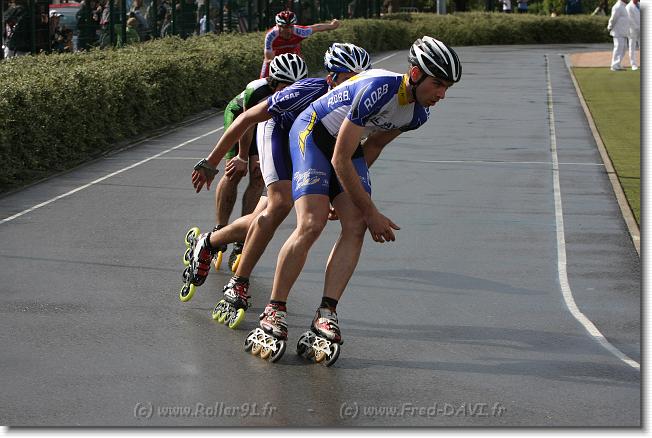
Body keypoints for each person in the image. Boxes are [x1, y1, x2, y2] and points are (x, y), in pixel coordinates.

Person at [246, 36, 462, 364]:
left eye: (447, 87)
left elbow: (372, 147)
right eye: (438, 84)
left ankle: (326, 312)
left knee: (356, 223)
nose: (442, 95)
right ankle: (274, 309)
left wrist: (349, 197)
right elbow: (339, 158)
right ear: (416, 75)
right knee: (312, 222)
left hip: (346, 148)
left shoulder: (417, 115)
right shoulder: (379, 89)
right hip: (312, 132)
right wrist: (370, 209)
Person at [189, 44, 372, 329]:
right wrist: (212, 162)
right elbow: (247, 118)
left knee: (260, 216)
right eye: (351, 78)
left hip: (311, 144)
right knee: (280, 204)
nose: (358, 84)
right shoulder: (306, 91)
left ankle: (209, 242)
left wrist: (341, 192)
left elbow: (352, 151)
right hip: (277, 130)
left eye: (363, 77)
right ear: (332, 78)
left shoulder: (369, 100)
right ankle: (238, 282)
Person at [180, 53, 309, 302]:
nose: (290, 92)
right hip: (242, 118)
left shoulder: (303, 93)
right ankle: (220, 228)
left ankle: (236, 236)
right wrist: (242, 156)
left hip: (269, 123)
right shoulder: (257, 90)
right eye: (285, 87)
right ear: (273, 82)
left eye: (295, 86)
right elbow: (246, 123)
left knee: (259, 178)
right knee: (236, 171)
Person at [259, 10, 340, 78]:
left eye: (291, 27)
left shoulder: (299, 31)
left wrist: (332, 25)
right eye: (285, 27)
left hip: (293, 57)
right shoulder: (271, 36)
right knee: (263, 80)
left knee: (300, 76)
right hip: (274, 60)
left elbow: (316, 28)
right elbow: (269, 59)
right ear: (278, 26)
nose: (289, 31)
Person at [607, 0, 629, 71]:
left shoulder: (624, 6)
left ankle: (618, 64)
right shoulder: (618, 6)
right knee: (618, 48)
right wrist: (609, 27)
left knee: (623, 49)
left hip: (624, 32)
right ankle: (614, 66)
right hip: (618, 32)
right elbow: (613, 18)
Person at [626, 0, 639, 70]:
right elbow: (630, 20)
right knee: (632, 47)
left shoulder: (640, 4)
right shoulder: (628, 7)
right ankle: (633, 65)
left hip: (641, 29)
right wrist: (637, 27)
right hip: (632, 30)